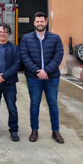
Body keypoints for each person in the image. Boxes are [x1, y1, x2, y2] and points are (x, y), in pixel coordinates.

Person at [20, 12, 65, 144]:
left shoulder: (55, 38)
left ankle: (55, 131)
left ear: (46, 22)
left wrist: (46, 71)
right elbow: (25, 56)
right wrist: (37, 71)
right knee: (34, 104)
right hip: (33, 77)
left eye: (42, 21)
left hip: (52, 77)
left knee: (53, 104)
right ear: (34, 23)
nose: (40, 23)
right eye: (37, 21)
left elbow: (58, 56)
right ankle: (34, 130)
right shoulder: (26, 38)